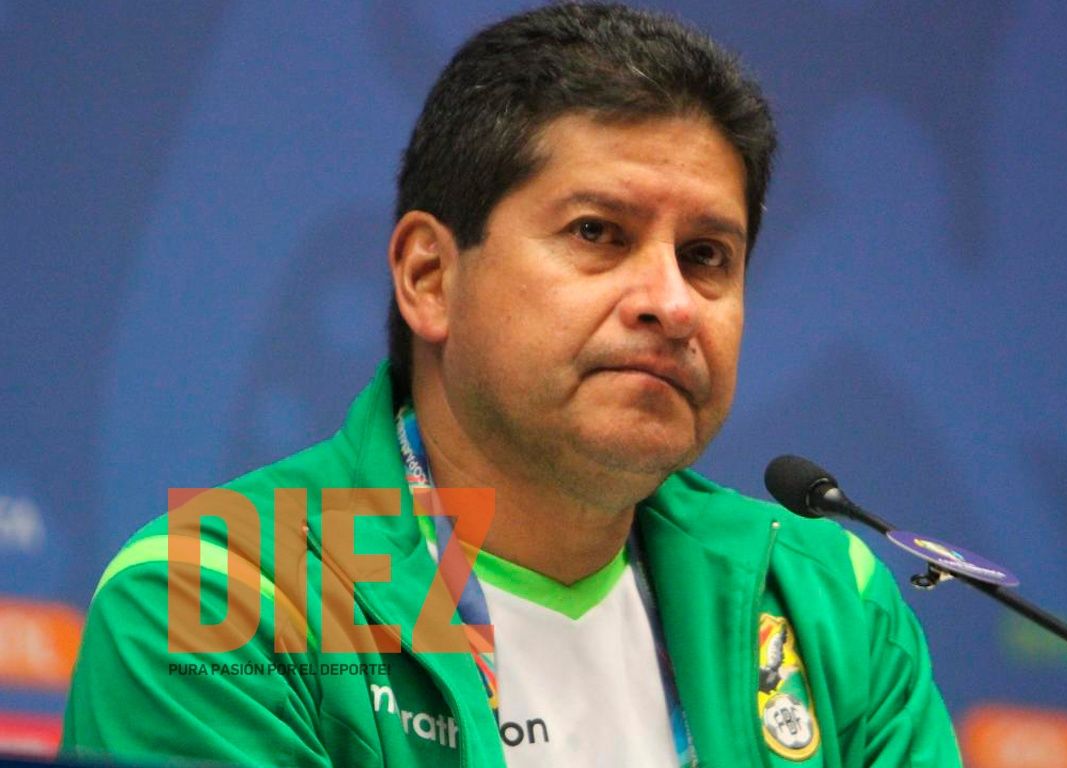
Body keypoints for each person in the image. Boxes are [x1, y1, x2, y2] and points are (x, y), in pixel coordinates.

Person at [62, 4, 962, 766]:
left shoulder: (828, 603)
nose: (671, 302)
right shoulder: (215, 601)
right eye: (598, 233)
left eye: (706, 256)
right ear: (429, 277)